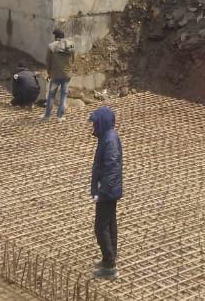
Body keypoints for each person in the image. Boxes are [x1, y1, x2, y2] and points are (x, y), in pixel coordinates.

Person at [89, 106, 123, 280]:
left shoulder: (109, 140)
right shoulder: (107, 137)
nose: (93, 125)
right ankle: (109, 258)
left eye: (95, 122)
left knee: (100, 228)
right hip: (109, 190)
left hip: (108, 192)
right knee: (109, 225)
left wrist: (102, 192)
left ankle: (110, 266)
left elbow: (111, 169)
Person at [43, 28, 74, 121]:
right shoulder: (71, 45)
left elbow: (48, 61)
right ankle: (60, 117)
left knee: (51, 95)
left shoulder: (51, 46)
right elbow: (73, 59)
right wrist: (69, 69)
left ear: (55, 36)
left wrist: (49, 73)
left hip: (55, 75)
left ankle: (47, 116)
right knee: (63, 96)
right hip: (66, 75)